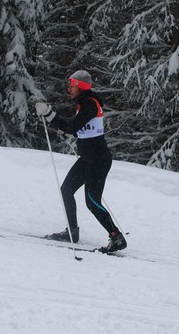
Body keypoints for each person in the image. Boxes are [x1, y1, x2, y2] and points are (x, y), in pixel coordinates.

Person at [35, 70, 127, 253]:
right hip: (87, 159)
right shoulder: (83, 104)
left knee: (92, 202)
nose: (69, 89)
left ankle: (117, 237)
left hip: (98, 161)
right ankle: (72, 232)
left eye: (72, 85)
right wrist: (67, 130)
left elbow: (72, 126)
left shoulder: (90, 104)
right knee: (66, 190)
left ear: (80, 86)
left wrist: (50, 115)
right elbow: (81, 130)